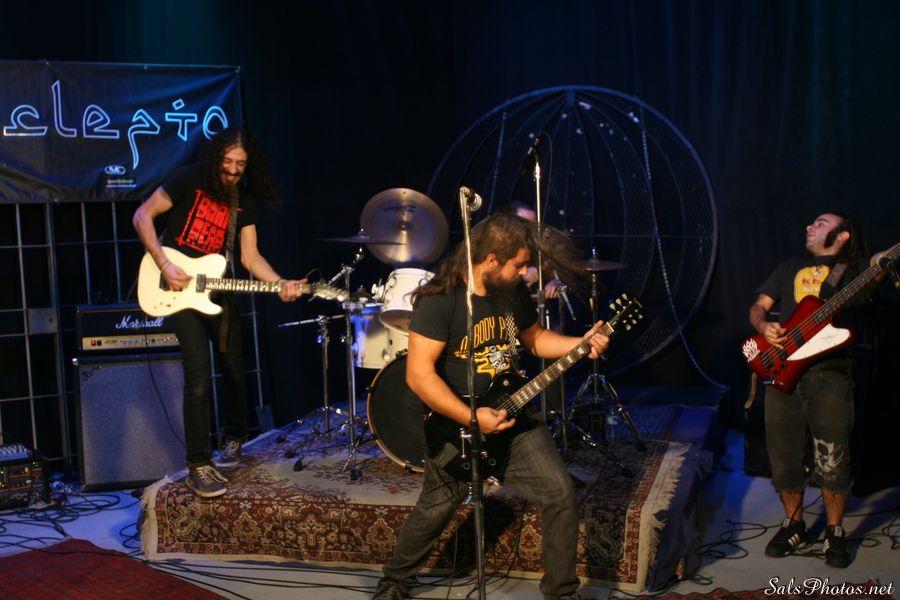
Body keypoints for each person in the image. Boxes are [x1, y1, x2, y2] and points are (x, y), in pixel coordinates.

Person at [373, 212, 609, 600]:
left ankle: (561, 593)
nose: (526, 273)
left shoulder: (510, 292)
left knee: (559, 491)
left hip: (513, 412)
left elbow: (534, 339)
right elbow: (418, 376)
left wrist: (580, 344)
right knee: (435, 508)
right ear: (491, 260)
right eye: (519, 264)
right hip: (458, 427)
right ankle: (395, 582)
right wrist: (470, 417)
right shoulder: (439, 300)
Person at [132, 127, 306, 498]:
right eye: (228, 162)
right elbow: (142, 216)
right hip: (176, 288)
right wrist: (164, 264)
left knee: (233, 365)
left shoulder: (243, 200)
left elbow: (250, 257)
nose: (233, 170)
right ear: (215, 158)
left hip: (218, 288)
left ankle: (234, 437)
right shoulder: (187, 179)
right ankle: (198, 463)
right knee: (198, 372)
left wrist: (280, 283)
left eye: (241, 164)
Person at [748, 211, 894, 568]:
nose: (810, 226)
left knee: (833, 455)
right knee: (783, 455)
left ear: (843, 236)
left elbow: (879, 266)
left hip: (830, 373)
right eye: (811, 222)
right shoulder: (788, 267)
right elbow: (758, 307)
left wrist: (885, 259)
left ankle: (834, 530)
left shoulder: (852, 269)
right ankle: (794, 524)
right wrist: (764, 326)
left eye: (821, 223)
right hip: (782, 369)